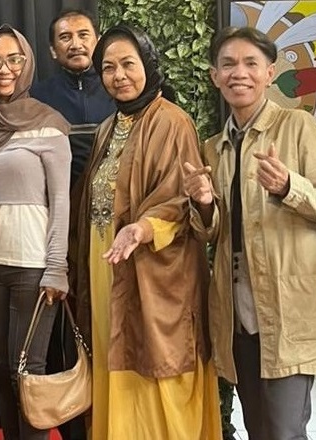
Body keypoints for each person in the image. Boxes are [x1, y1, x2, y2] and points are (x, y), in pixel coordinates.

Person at [185, 26, 316, 439]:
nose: (239, 73)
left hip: (288, 305)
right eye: (228, 64)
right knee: (257, 427)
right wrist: (203, 203)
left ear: (270, 73)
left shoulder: (298, 126)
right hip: (236, 307)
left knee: (284, 430)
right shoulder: (214, 147)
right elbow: (211, 233)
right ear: (215, 76)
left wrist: (289, 186)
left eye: (250, 63)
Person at [69, 24, 221, 439]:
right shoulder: (107, 127)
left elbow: (181, 199)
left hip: (156, 273)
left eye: (128, 64)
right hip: (107, 265)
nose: (118, 75)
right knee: (115, 358)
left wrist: (142, 228)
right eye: (108, 67)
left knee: (159, 370)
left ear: (148, 65)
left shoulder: (172, 121)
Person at [0, 24, 71, 440]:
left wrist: (57, 267)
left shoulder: (49, 124)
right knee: (1, 371)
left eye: (14, 59)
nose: (4, 69)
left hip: (33, 267)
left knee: (29, 374)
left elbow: (61, 202)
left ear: (27, 63)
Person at [31, 9, 116, 187]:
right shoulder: (36, 98)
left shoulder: (119, 89)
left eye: (83, 35)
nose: (76, 45)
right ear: (53, 50)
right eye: (65, 37)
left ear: (99, 42)